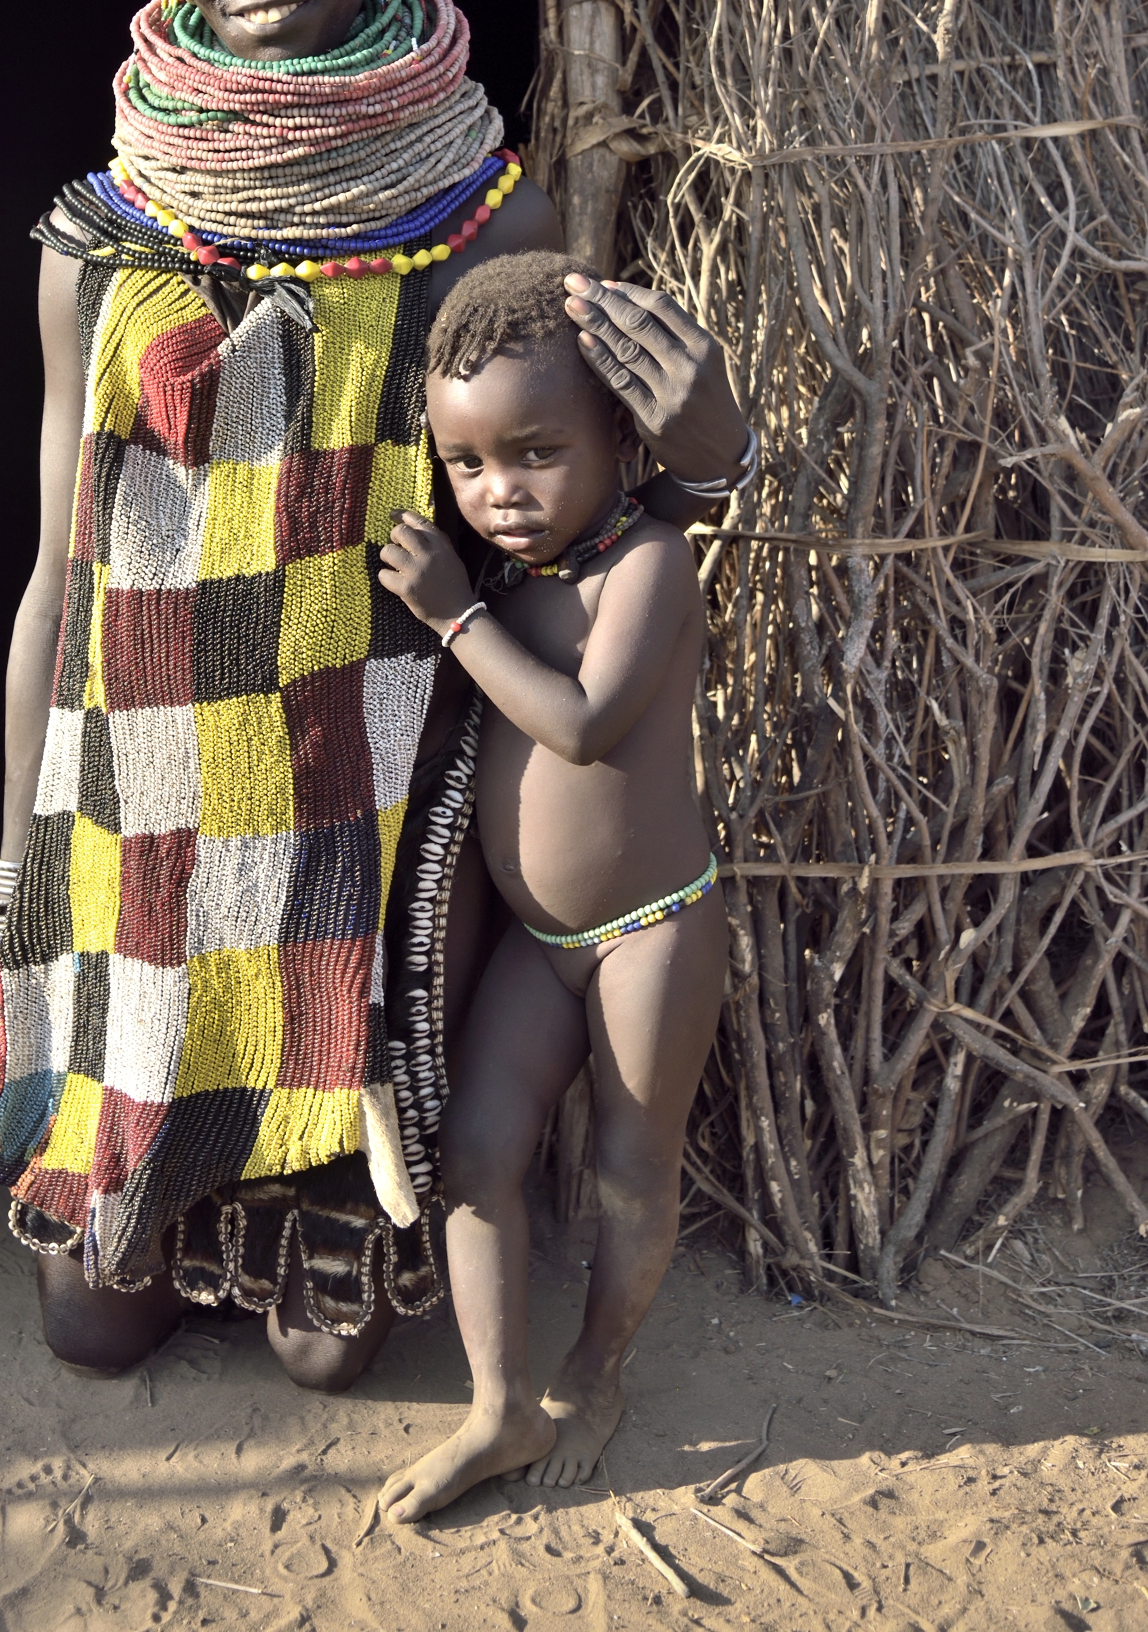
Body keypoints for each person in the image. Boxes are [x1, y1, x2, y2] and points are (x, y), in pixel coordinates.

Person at [0, 0, 753, 1393]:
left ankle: (333, 1197)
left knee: (332, 1341)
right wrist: (26, 870)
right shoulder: (100, 237)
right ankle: (150, 1169)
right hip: (146, 802)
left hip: (374, 789)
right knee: (90, 1327)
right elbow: (57, 566)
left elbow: (556, 526)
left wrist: (713, 458)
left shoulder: (477, 219)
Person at [373, 252, 729, 1519]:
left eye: (534, 453)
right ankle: (498, 1404)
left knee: (633, 1166)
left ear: (617, 441)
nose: (499, 492)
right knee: (474, 1148)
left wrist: (455, 618)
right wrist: (470, 598)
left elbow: (581, 725)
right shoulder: (512, 574)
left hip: (650, 934)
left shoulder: (645, 566)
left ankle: (597, 1373)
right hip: (538, 933)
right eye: (468, 465)